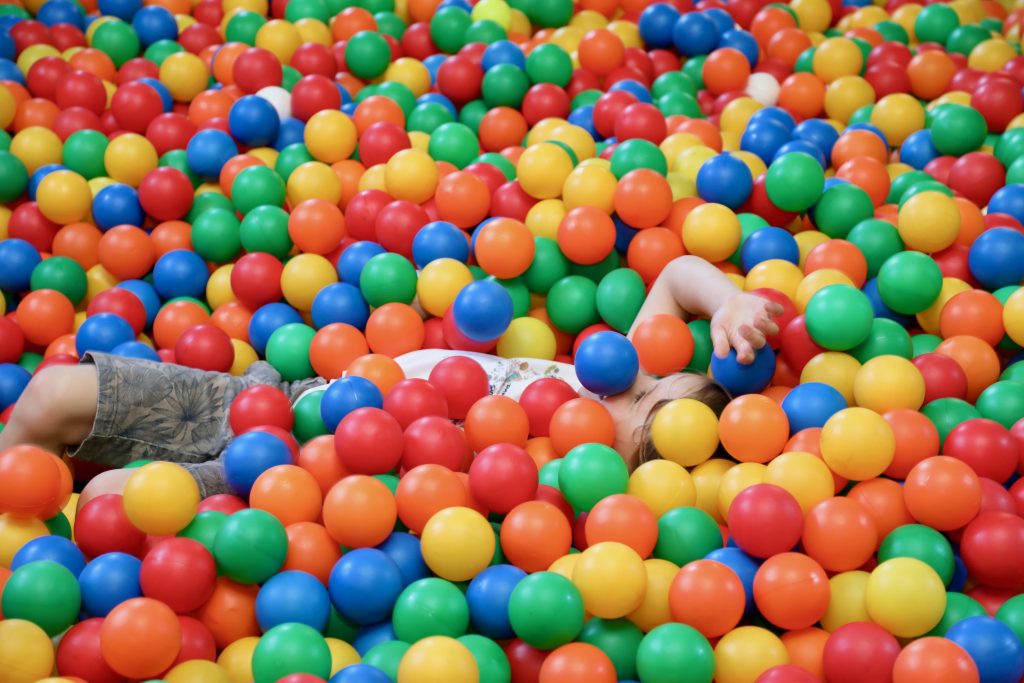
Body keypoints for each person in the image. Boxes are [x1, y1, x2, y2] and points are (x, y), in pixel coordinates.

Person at [0, 255, 781, 506]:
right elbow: (679, 273)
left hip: (296, 478)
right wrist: (732, 302)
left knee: (110, 504)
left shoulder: (544, 482)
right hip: (282, 397)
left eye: (641, 410)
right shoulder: (613, 373)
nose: (630, 387)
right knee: (46, 394)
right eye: (653, 378)